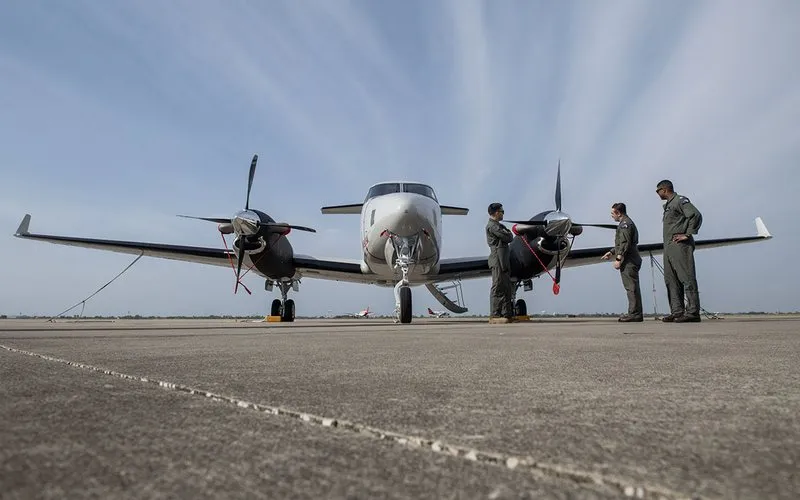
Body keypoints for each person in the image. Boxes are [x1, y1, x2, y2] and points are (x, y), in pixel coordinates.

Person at [656, 179, 703, 322]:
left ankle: (693, 312)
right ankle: (677, 311)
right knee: (671, 280)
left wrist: (687, 234)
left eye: (658, 191)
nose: (657, 194)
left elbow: (695, 215)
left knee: (686, 277)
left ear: (664, 190)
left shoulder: (680, 201)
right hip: (669, 247)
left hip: (679, 246)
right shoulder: (669, 205)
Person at [602, 203, 643, 322]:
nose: (611, 216)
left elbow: (625, 243)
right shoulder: (625, 223)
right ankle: (635, 312)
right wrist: (611, 252)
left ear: (618, 213)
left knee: (631, 287)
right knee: (631, 287)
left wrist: (618, 259)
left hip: (629, 259)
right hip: (630, 257)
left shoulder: (625, 224)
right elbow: (622, 243)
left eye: (612, 213)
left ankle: (634, 314)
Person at [486, 202, 514, 323]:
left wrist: (508, 233)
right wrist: (507, 233)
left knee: (506, 286)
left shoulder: (499, 225)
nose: (503, 213)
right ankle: (495, 314)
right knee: (498, 286)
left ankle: (506, 313)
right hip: (497, 258)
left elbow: (509, 236)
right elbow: (508, 237)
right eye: (502, 211)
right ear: (496, 212)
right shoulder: (493, 226)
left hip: (503, 258)